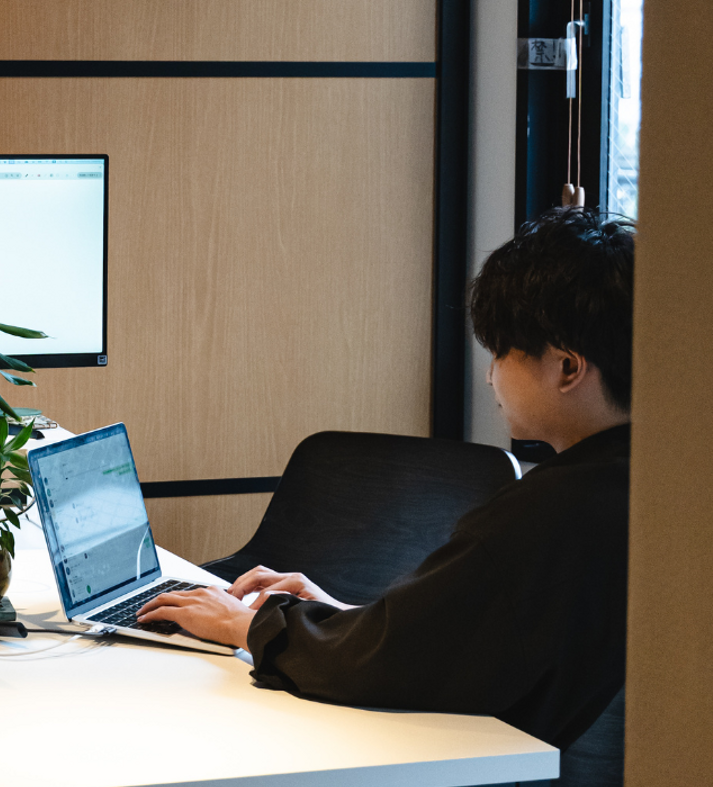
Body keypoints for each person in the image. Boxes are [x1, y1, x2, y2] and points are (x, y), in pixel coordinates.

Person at [137, 206, 633, 754]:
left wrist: (245, 626)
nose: (491, 374)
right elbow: (448, 642)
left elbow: (395, 665)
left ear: (567, 368)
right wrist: (346, 619)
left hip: (476, 769)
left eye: (501, 352)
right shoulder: (637, 484)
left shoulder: (545, 513)